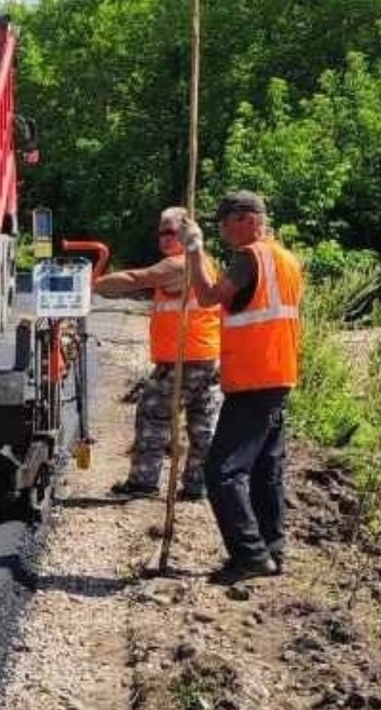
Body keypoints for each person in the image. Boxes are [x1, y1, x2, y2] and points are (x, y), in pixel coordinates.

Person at [183, 191, 304, 584]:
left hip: (254, 380)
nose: (222, 229)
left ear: (248, 218)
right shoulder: (286, 260)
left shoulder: (251, 257)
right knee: (266, 469)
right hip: (277, 376)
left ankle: (250, 555)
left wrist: (194, 250)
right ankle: (272, 549)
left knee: (222, 470)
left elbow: (206, 297)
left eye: (225, 221)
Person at [92, 207, 223, 501]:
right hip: (205, 356)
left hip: (183, 359)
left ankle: (143, 482)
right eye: (161, 232)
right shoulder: (200, 262)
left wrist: (95, 284)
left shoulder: (180, 264)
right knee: (204, 425)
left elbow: (137, 279)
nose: (164, 238)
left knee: (153, 416)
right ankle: (196, 486)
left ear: (187, 232)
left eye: (172, 232)